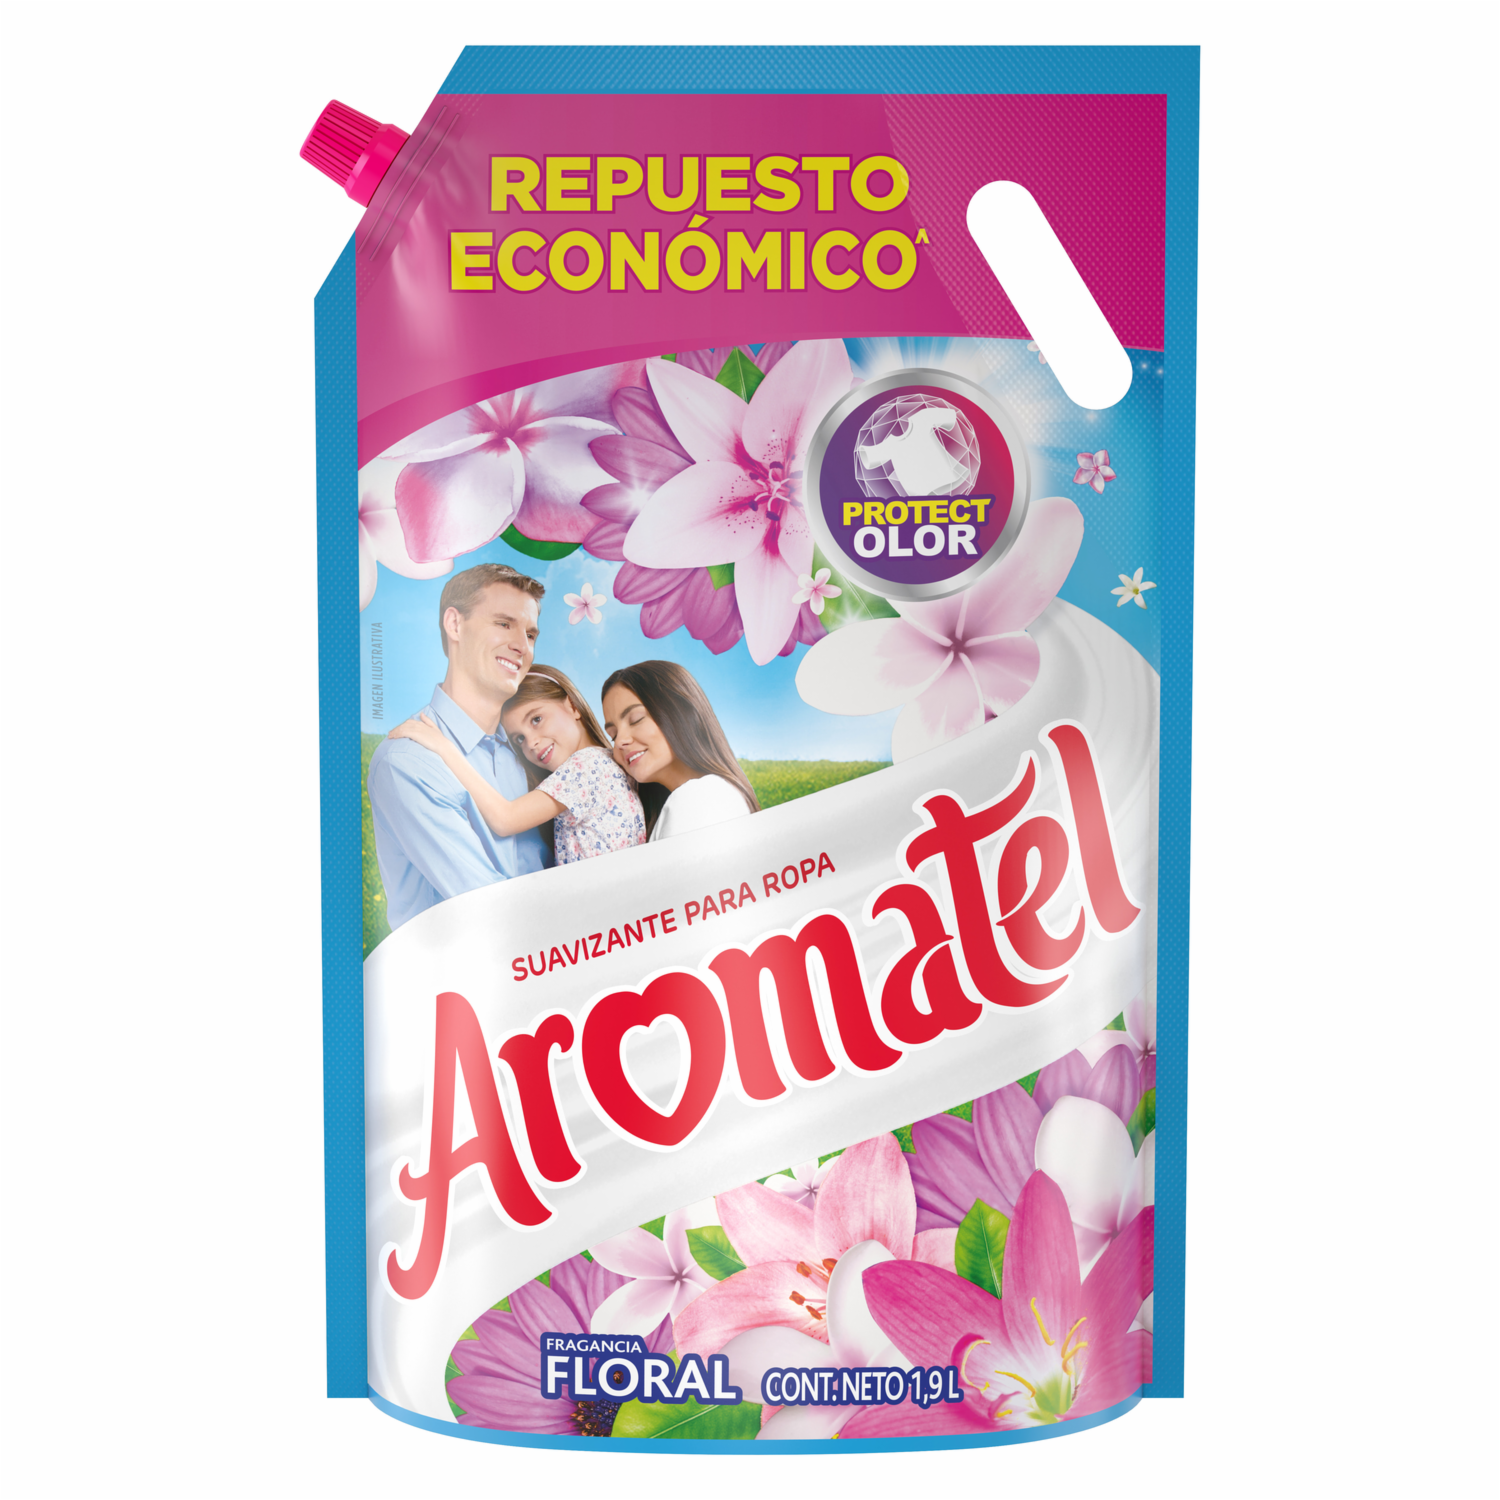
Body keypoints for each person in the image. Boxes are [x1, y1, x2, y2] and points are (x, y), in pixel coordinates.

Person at [367, 563, 550, 929]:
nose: (522, 646)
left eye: (530, 634)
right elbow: (489, 909)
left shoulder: (529, 753)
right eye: (503, 623)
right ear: (454, 625)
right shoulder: (407, 761)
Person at [386, 667, 646, 865]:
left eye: (536, 719)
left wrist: (443, 747)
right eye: (519, 739)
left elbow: (505, 819)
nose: (531, 743)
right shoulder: (607, 761)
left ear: (572, 706)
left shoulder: (586, 766)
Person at [601, 661, 759, 840]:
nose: (619, 741)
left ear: (680, 712)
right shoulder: (711, 796)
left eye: (636, 719)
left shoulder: (699, 797)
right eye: (613, 735)